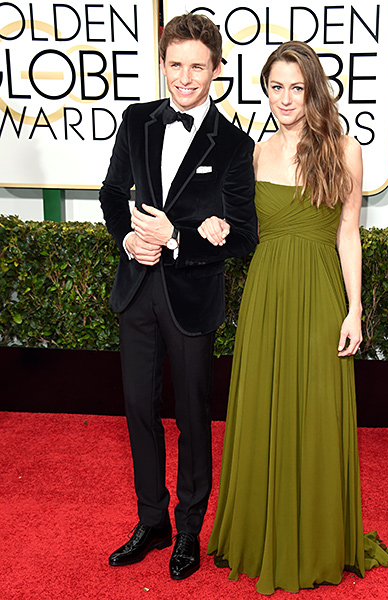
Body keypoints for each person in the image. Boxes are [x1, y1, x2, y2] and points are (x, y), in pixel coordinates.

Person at [202, 41, 388, 594]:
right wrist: (218, 227)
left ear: (313, 89)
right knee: (263, 405)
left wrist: (354, 310)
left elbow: (348, 233)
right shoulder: (255, 153)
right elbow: (242, 226)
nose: (284, 98)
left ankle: (314, 536)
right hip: (265, 292)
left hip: (319, 294)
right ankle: (260, 531)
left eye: (296, 86)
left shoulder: (343, 149)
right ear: (264, 89)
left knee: (314, 408)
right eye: (275, 86)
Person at [99, 13, 257, 581]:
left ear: (217, 69)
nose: (185, 78)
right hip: (136, 290)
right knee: (140, 410)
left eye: (198, 66)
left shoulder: (236, 145)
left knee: (192, 417)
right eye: (175, 65)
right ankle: (152, 521)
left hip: (191, 296)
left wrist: (176, 239)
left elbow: (243, 234)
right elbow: (113, 192)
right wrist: (128, 238)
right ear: (162, 65)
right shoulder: (136, 119)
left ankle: (189, 528)